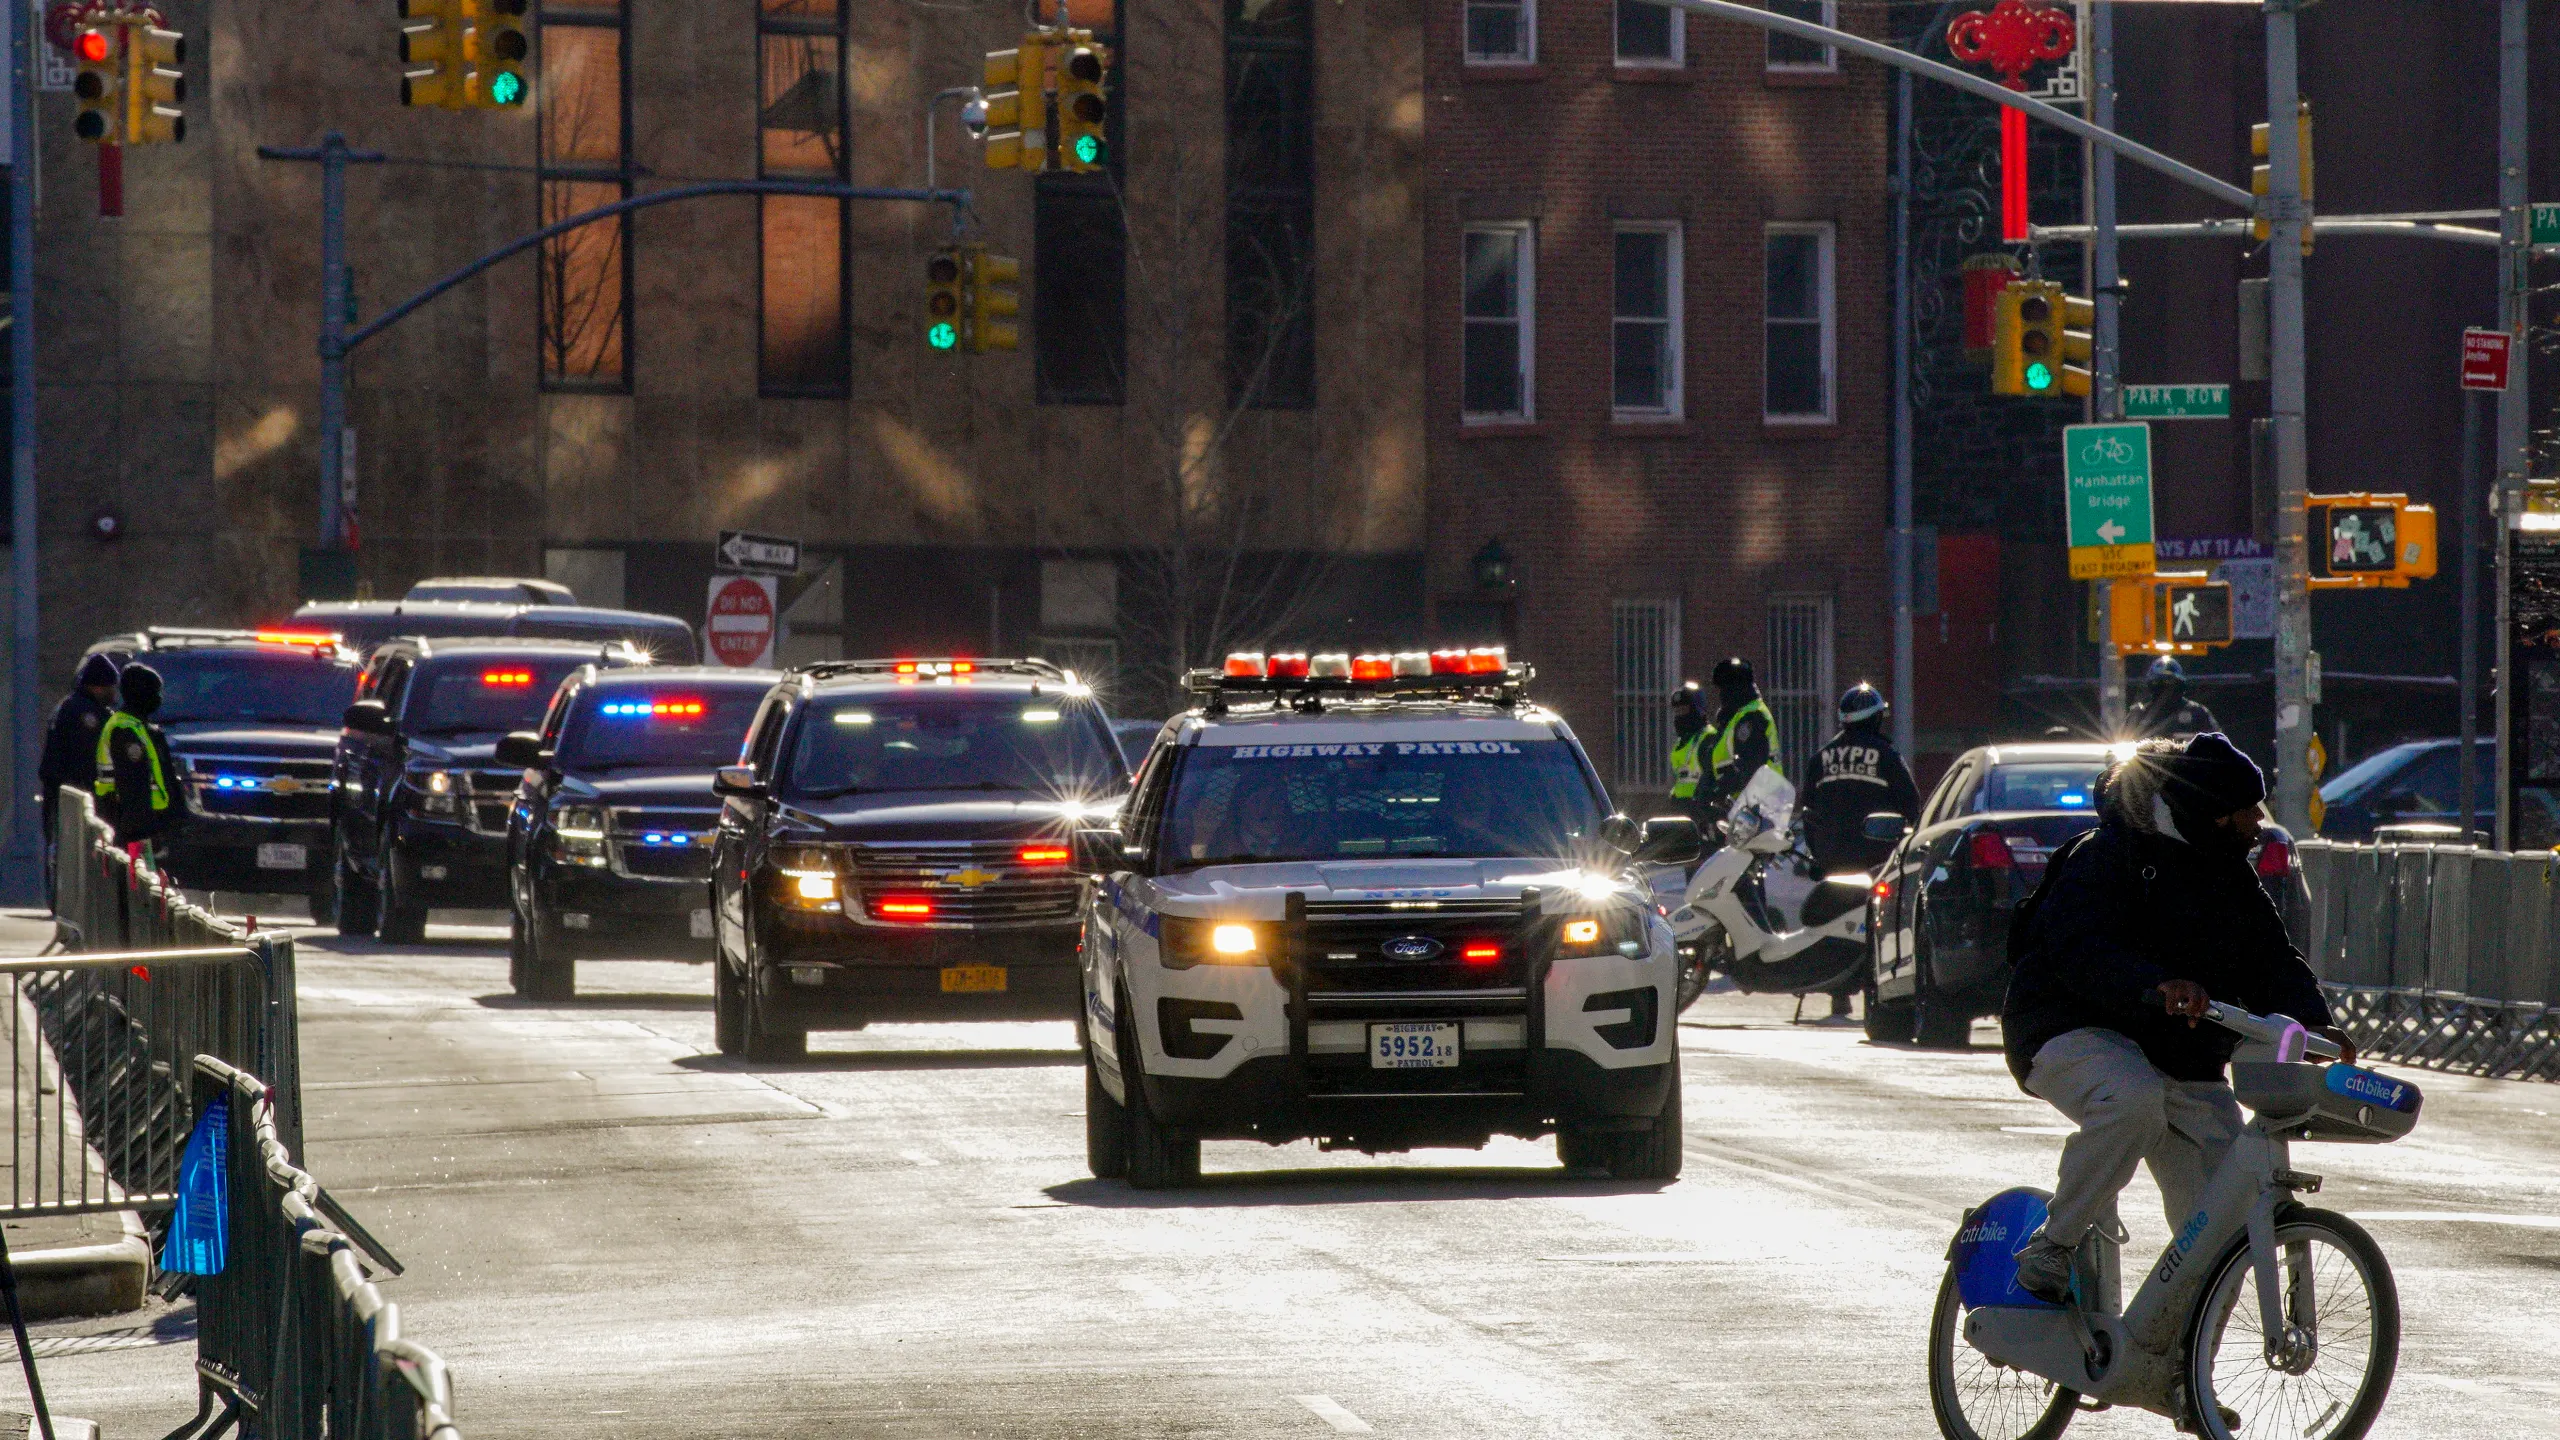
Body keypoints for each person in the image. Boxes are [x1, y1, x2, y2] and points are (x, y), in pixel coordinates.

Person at [2001, 733, 2353, 1304]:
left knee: (2225, 1228)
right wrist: (2152, 984)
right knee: (2132, 1101)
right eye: (2249, 811)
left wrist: (2318, 1024)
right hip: (2068, 1028)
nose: (2259, 823)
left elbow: (2273, 959)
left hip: (2182, 1056)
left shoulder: (2231, 875)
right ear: (2214, 817)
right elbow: (2075, 948)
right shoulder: (2108, 855)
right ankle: (2053, 1244)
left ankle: (2179, 1376)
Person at [40, 654, 120, 887]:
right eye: (110, 686)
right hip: (76, 793)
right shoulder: (87, 715)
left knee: (60, 849)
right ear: (99, 686)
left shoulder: (66, 706)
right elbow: (86, 759)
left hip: (58, 790)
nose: (114, 693)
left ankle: (61, 894)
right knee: (78, 852)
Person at [94, 662, 185, 859]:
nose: (159, 698)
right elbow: (134, 788)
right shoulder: (125, 731)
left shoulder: (139, 727)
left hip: (145, 824)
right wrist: (144, 836)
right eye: (155, 692)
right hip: (135, 830)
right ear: (141, 694)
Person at [1694, 657, 1780, 823]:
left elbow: (1749, 765)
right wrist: (1704, 792)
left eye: (1726, 687)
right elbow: (1717, 763)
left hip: (1761, 812)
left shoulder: (1752, 716)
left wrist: (1718, 789)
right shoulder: (1733, 720)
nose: (1722, 694)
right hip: (1735, 813)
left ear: (1738, 687)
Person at [2129, 656, 2221, 741]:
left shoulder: (2197, 713)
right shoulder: (2138, 714)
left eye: (2169, 681)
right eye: (2157, 682)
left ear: (2179, 685)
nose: (2163, 687)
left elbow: (2218, 745)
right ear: (2150, 685)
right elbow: (2123, 747)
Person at [1666, 682, 1713, 828]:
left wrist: (1700, 803)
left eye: (1684, 710)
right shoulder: (1683, 742)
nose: (1680, 716)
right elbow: (1682, 779)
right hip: (1680, 812)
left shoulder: (1708, 739)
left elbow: (1712, 779)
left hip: (1701, 815)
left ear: (1697, 710)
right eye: (1677, 711)